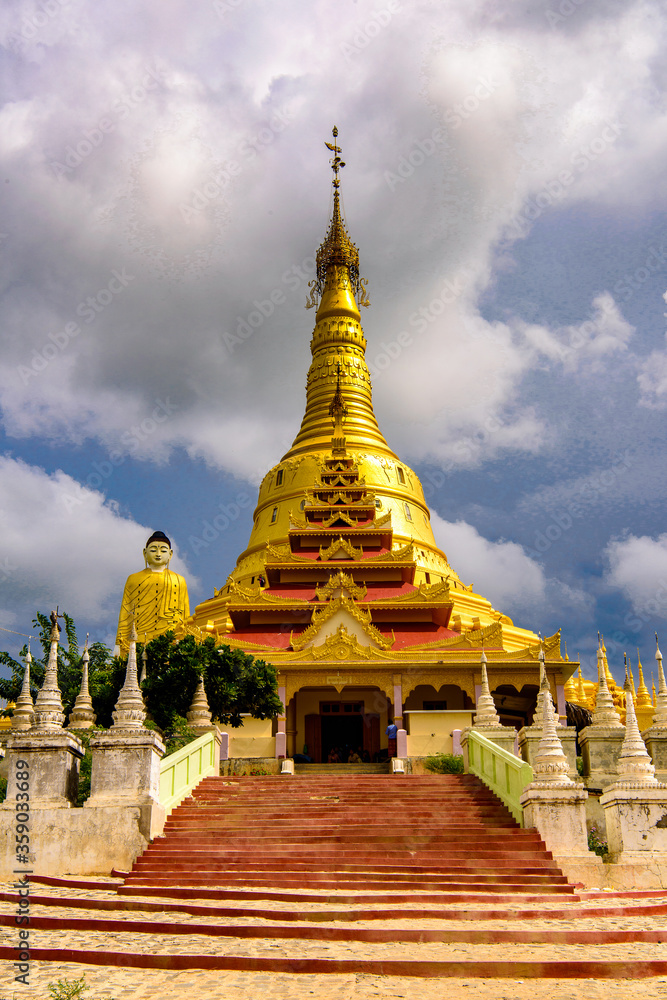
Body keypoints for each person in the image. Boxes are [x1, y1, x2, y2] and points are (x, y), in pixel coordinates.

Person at [115, 531, 190, 655]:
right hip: (137, 639)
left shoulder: (179, 580)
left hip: (170, 640)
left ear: (170, 555)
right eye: (154, 550)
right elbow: (125, 613)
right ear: (145, 553)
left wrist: (186, 641)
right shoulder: (133, 579)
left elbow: (186, 616)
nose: (158, 554)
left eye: (163, 551)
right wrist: (119, 643)